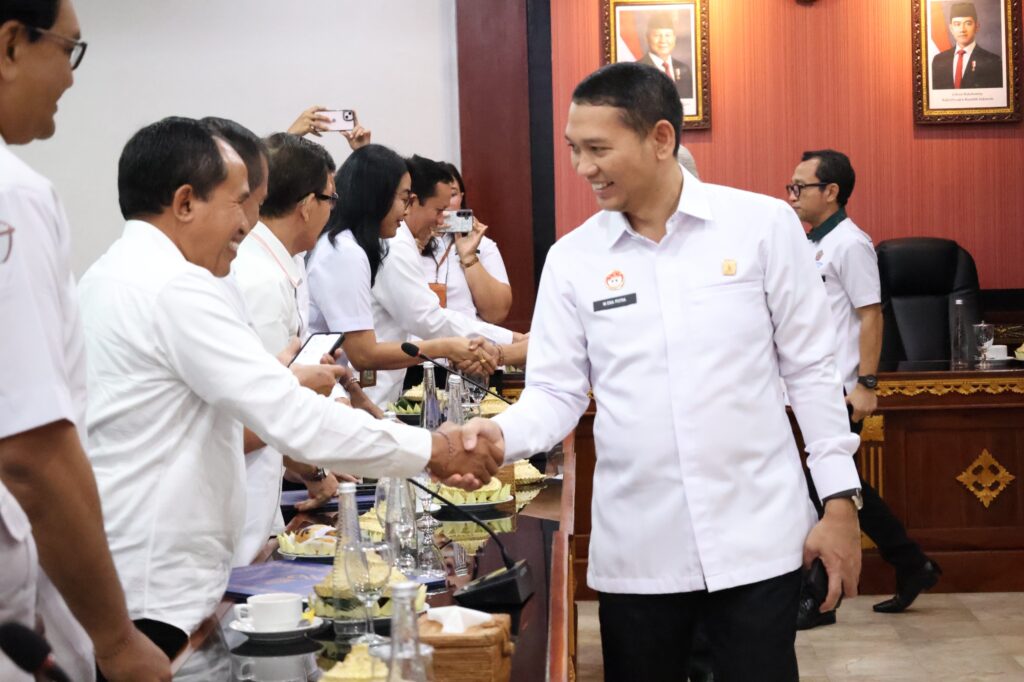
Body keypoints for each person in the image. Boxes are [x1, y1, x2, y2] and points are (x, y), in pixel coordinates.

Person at [463, 62, 863, 681]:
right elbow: (555, 391)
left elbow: (811, 371)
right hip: (640, 550)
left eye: (598, 148)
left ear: (660, 138)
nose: (582, 167)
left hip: (757, 537)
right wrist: (501, 434)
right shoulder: (572, 259)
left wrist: (839, 501)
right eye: (573, 149)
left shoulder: (760, 227)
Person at [78, 117, 499, 659]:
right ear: (184, 203)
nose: (246, 223)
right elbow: (288, 415)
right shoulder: (174, 287)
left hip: (143, 569)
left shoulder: (111, 274)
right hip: (159, 588)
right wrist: (434, 450)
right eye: (239, 204)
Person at [0, 2, 170, 680]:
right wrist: (117, 639)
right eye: (68, 49)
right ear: (11, 45)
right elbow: (31, 453)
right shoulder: (11, 196)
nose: (72, 77)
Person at [788, 150, 941, 627]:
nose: (791, 196)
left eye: (800, 187)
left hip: (838, 389)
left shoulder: (851, 244)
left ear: (830, 191)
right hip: (808, 385)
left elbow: (870, 315)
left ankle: (819, 599)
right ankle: (912, 563)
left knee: (825, 488)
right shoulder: (809, 242)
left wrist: (867, 383)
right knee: (842, 486)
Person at [307, 147, 514, 407]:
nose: (405, 212)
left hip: (355, 397)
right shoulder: (347, 250)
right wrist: (448, 347)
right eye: (404, 199)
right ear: (378, 197)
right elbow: (364, 354)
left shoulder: (358, 245)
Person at [418, 162, 512, 324]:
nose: (445, 203)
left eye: (452, 194)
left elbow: (497, 314)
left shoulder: (482, 245)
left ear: (462, 197)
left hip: (470, 337)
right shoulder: (406, 242)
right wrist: (418, 244)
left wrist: (469, 258)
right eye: (438, 196)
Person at [931, 2, 1002, 90]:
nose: (962, 29)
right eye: (957, 24)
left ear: (977, 27)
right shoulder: (938, 60)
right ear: (951, 28)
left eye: (968, 23)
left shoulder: (993, 62)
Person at [636, 12, 693, 99]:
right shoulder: (636, 71)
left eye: (667, 35)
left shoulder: (684, 70)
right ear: (647, 38)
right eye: (657, 35)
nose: (663, 40)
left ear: (674, 38)